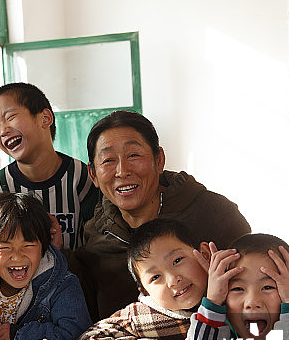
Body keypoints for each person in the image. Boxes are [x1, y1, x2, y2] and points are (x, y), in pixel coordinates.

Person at [68, 110, 250, 321]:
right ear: (93, 174)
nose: (122, 171)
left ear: (159, 159)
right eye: (108, 160)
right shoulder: (96, 235)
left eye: (133, 155)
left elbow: (253, 291)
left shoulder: (214, 213)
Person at [0, 193, 92, 340]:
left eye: (28, 245)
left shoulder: (62, 285)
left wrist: (20, 335)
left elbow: (76, 336)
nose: (17, 256)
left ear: (43, 246)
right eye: (5, 247)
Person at [71, 219, 209, 340]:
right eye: (155, 277)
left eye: (177, 260)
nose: (172, 280)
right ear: (145, 291)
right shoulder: (143, 315)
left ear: (205, 254)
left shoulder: (230, 293)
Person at [0, 83, 100, 250]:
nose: (3, 131)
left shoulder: (82, 178)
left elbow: (97, 246)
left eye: (10, 117)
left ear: (45, 118)